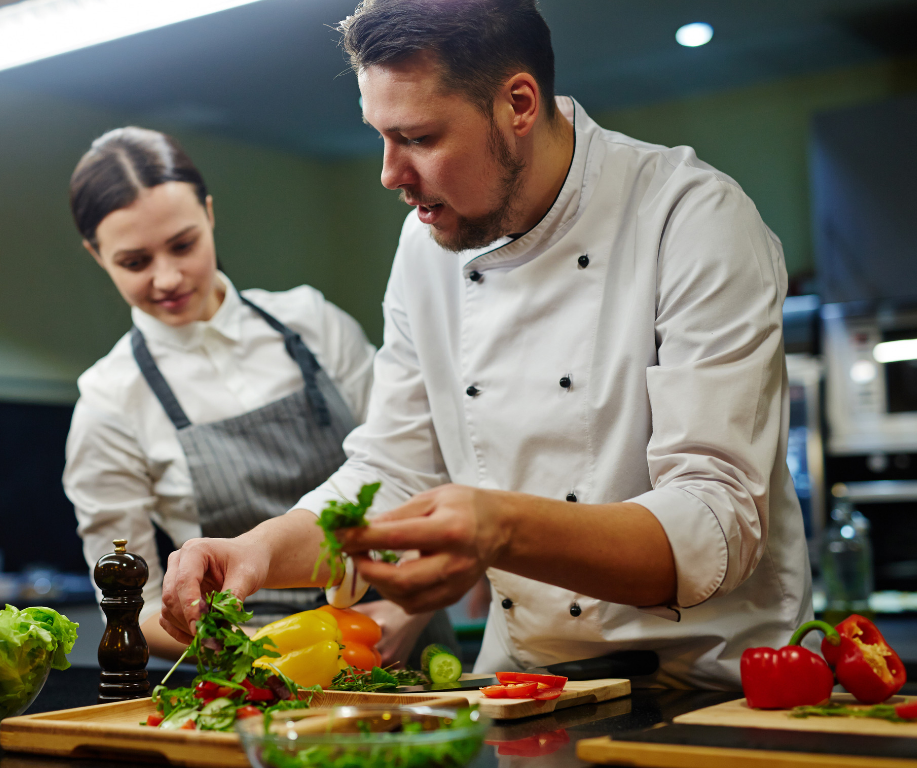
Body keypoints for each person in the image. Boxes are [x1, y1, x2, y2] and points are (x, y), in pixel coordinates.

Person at [159, 0, 812, 689]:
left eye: (417, 136)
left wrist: (498, 528)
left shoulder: (691, 218)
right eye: (380, 136)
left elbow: (716, 521)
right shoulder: (426, 244)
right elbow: (392, 473)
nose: (389, 174)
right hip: (530, 687)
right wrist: (255, 550)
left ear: (518, 104)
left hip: (716, 689)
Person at [63, 127, 443, 660]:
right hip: (252, 670)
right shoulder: (108, 403)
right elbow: (132, 607)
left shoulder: (312, 324)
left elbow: (418, 471)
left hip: (404, 635)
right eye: (134, 262)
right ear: (96, 255)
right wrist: (264, 651)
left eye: (183, 244)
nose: (167, 277)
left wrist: (408, 612)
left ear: (210, 215)